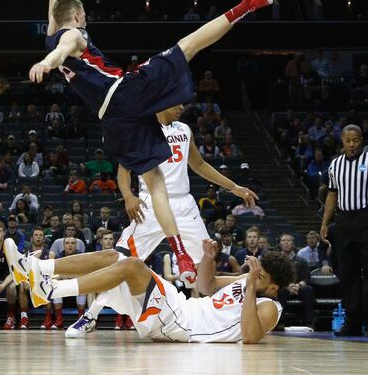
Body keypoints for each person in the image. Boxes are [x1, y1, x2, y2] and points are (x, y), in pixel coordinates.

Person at [31, 0, 272, 290]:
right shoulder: (72, 35)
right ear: (80, 16)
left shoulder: (52, 30)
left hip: (110, 120)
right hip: (124, 93)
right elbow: (65, 42)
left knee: (154, 180)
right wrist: (47, 62)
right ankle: (251, 3)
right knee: (186, 47)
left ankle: (180, 254)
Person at [64, 105, 258, 338]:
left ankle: (228, 318)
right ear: (163, 102)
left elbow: (199, 165)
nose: (183, 108)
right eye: (178, 103)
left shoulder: (184, 130)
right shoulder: (141, 130)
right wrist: (128, 196)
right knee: (122, 261)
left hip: (184, 205)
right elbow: (124, 172)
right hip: (151, 205)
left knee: (207, 264)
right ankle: (91, 315)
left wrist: (233, 186)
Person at [7, 239, 293, 343]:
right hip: (180, 307)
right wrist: (208, 258)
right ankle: (39, 269)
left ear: (274, 287)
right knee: (116, 256)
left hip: (184, 326)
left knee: (132, 265)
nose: (254, 278)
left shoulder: (270, 307)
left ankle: (51, 290)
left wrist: (253, 287)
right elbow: (205, 287)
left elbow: (251, 337)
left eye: (261, 277)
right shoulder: (247, 281)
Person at [321, 124, 368, 337]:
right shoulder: (335, 165)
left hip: (366, 218)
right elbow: (332, 195)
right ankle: (352, 320)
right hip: (344, 220)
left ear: (361, 140)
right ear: (342, 141)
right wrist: (325, 223)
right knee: (348, 273)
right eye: (348, 141)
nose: (352, 144)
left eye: (355, 140)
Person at [276, 233, 316, 329]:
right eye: (283, 240)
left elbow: (307, 278)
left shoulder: (301, 260)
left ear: (293, 244)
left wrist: (298, 285)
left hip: (298, 287)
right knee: (280, 291)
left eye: (288, 240)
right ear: (280, 244)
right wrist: (286, 286)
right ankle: (280, 322)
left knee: (308, 290)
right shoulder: (276, 260)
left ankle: (309, 322)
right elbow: (274, 277)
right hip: (283, 286)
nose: (286, 243)